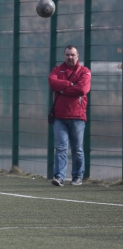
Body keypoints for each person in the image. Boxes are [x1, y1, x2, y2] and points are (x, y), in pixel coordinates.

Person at [48, 45, 91, 186]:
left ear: (77, 56)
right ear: (64, 55)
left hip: (77, 116)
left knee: (77, 149)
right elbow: (52, 82)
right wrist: (69, 84)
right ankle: (59, 177)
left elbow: (82, 89)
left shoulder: (84, 72)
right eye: (67, 55)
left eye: (72, 55)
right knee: (60, 147)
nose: (70, 57)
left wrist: (62, 90)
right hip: (60, 117)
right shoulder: (57, 70)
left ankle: (77, 176)